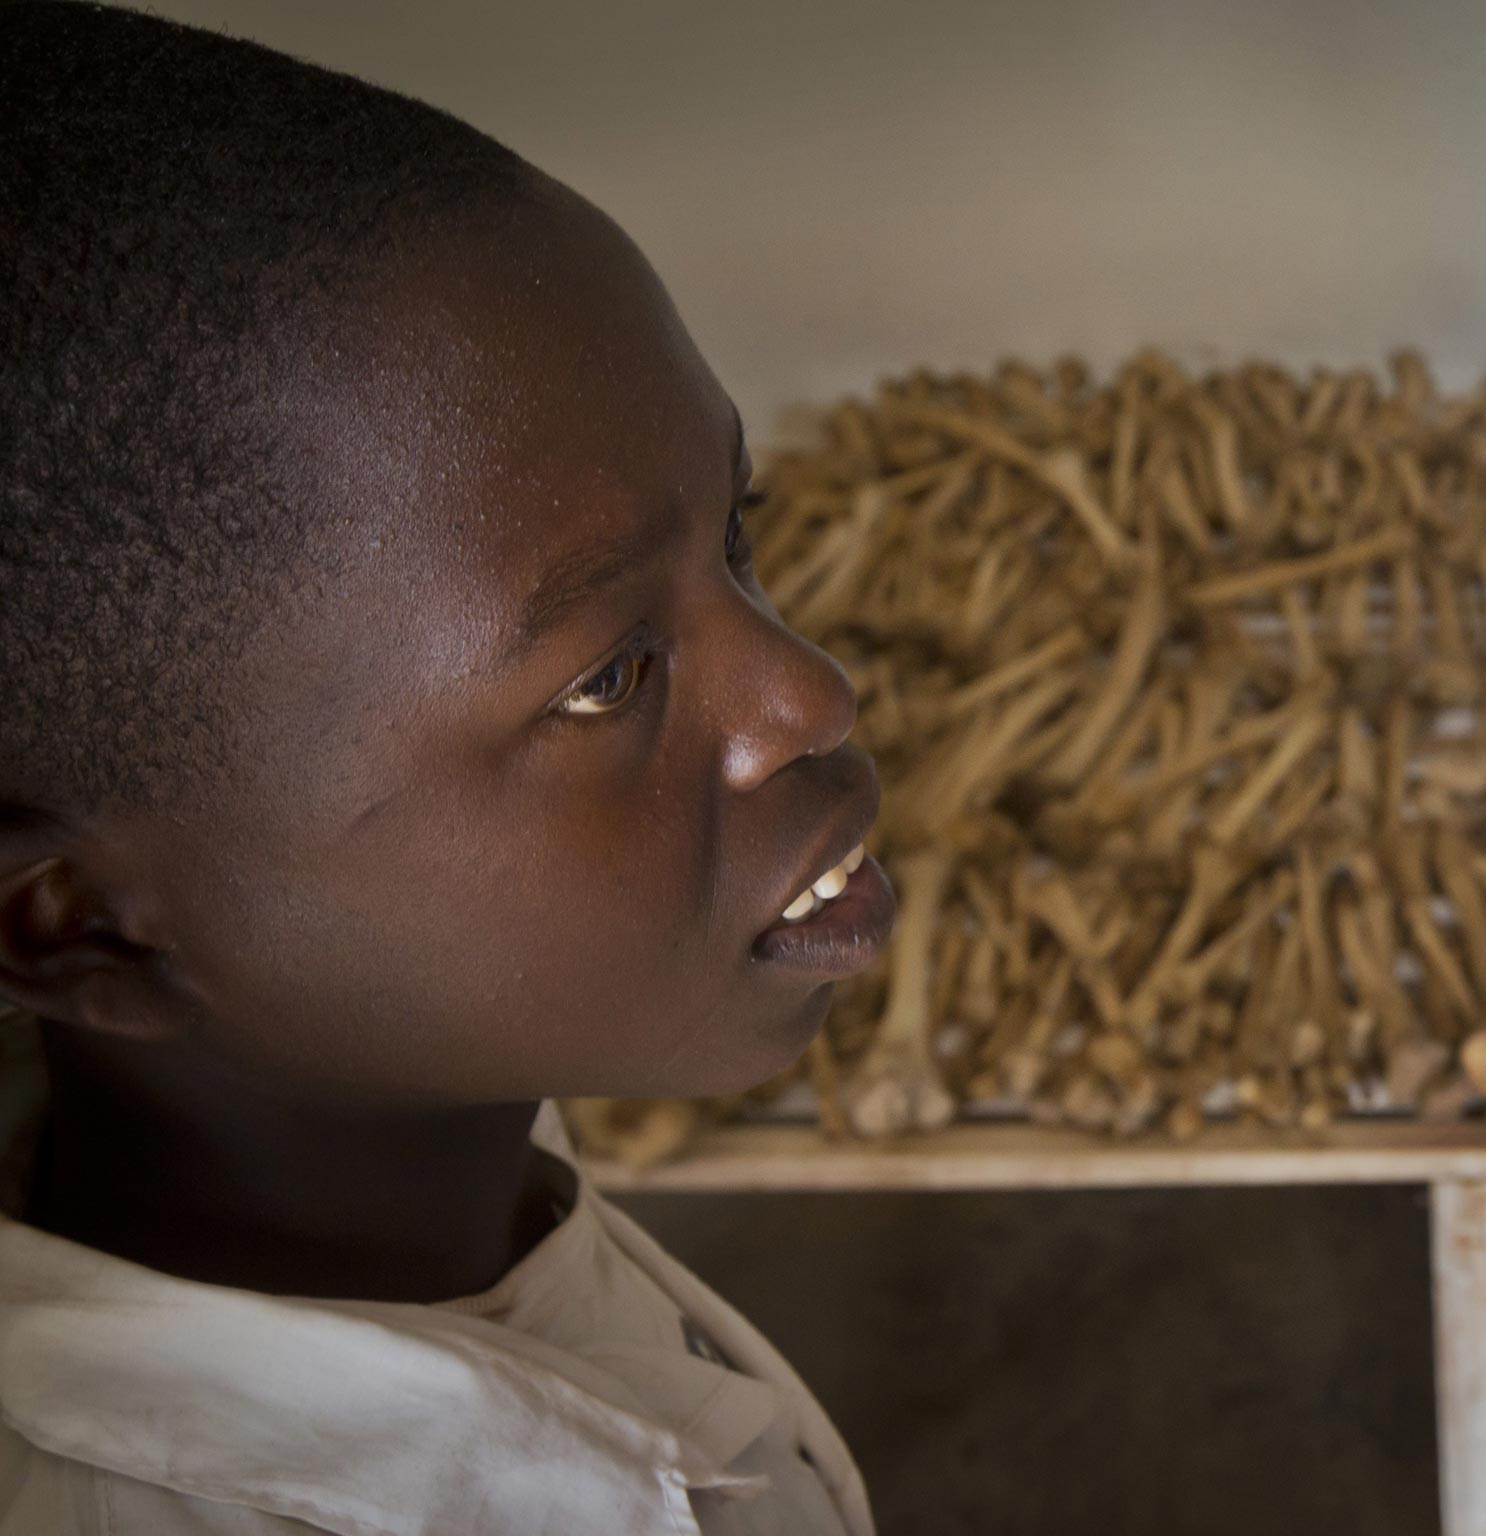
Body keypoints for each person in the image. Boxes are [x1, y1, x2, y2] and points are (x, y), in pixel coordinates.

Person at [0, 4, 898, 1532]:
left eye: (735, 532)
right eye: (611, 677)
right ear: (83, 927)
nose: (809, 695)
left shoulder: (425, 1164)